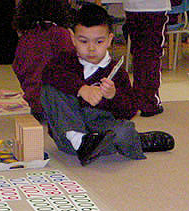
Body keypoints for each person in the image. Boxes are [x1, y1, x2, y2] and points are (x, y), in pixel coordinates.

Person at [40, 2, 174, 165]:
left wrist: (113, 96)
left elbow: (129, 110)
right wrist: (81, 89)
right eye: (83, 41)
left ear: (110, 39)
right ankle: (81, 141)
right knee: (50, 88)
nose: (91, 48)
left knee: (122, 131)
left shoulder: (116, 71)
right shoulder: (64, 61)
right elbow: (49, 73)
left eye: (99, 42)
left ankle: (127, 141)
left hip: (102, 127)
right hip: (70, 132)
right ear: (72, 38)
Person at [12, 0, 75, 122]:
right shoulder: (61, 34)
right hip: (56, 106)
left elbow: (17, 68)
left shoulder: (26, 37)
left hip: (33, 104)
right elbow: (73, 68)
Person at [122, 0, 171, 117]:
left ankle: (138, 98)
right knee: (151, 55)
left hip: (132, 7)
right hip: (154, 7)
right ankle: (149, 101)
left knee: (138, 54)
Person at [0, 0, 19, 65]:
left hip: (1, 14)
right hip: (5, 13)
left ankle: (0, 58)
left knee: (2, 30)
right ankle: (7, 57)